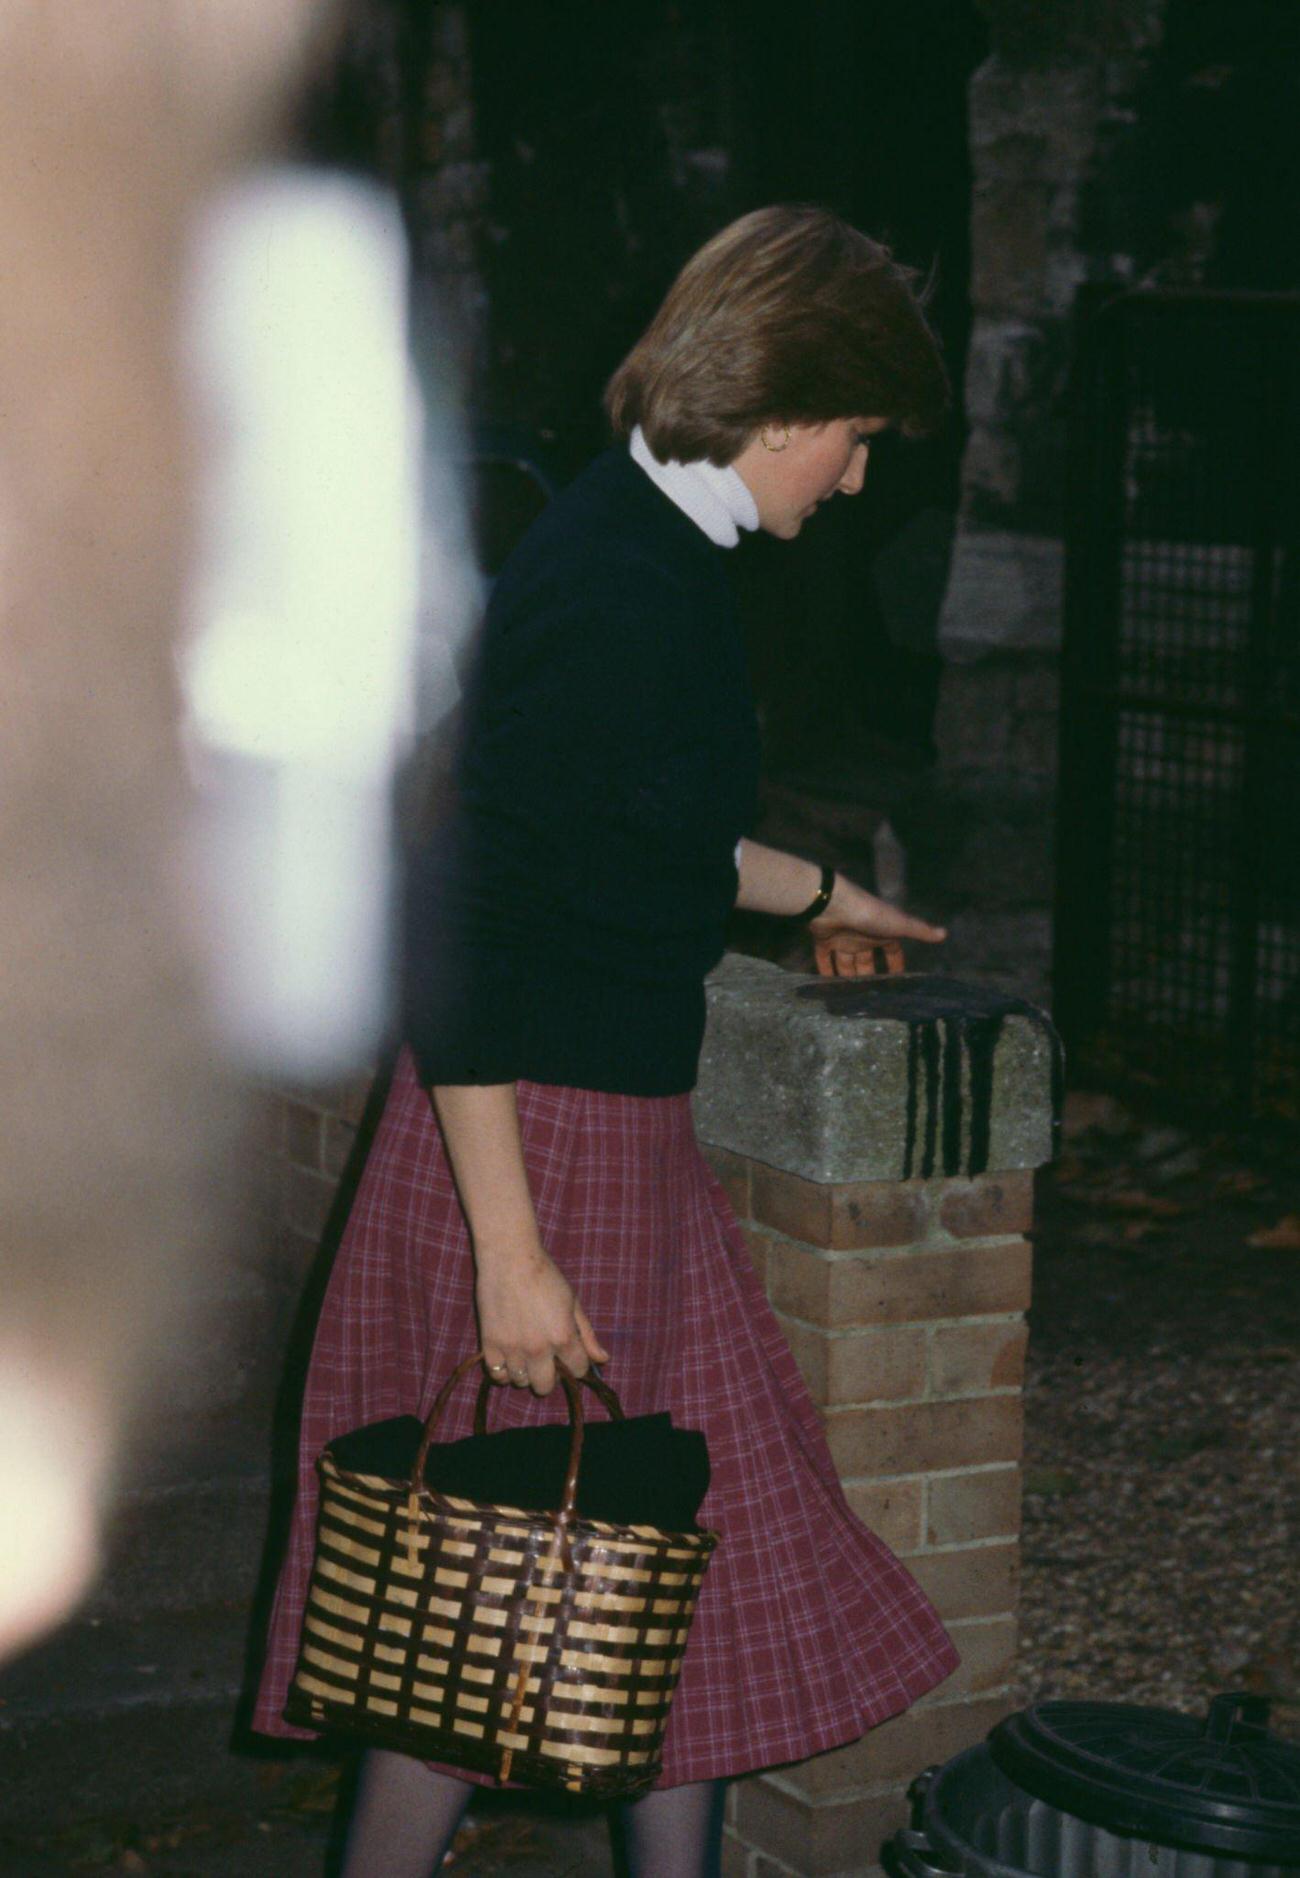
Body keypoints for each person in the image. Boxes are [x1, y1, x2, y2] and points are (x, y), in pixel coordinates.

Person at [252, 204, 961, 1878]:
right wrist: (510, 1255)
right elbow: (474, 923)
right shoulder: (617, 583)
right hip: (536, 1145)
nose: (856, 483)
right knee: (485, 1603)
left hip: (606, 1141)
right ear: (787, 407)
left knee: (655, 1574)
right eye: (857, 442)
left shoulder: (642, 550)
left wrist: (818, 894)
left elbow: (632, 830)